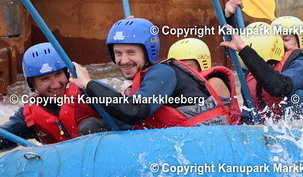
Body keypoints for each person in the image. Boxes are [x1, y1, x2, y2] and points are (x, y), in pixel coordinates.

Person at [70, 18, 230, 129]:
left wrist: (90, 84)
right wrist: (87, 92)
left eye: (131, 52)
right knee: (91, 125)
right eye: (118, 53)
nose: (124, 60)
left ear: (148, 52)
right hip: (187, 138)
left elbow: (134, 111)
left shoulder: (163, 72)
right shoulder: (141, 83)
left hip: (208, 142)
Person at [0, 43, 101, 152]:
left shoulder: (87, 92)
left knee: (89, 126)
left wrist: (91, 86)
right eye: (45, 79)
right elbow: (0, 138)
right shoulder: (29, 115)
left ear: (66, 73)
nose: (55, 85)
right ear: (32, 83)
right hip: (63, 160)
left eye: (58, 74)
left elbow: (112, 106)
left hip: (99, 154)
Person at [220, 22, 303, 123]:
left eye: (286, 39)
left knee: (299, 96)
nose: (260, 68)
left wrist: (244, 49)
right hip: (268, 125)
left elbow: (279, 87)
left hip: (302, 125)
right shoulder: (252, 71)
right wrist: (229, 19)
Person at [167, 38, 241, 125]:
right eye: (177, 67)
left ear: (202, 64)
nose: (182, 71)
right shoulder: (173, 85)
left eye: (187, 66)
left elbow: (217, 120)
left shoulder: (215, 82)